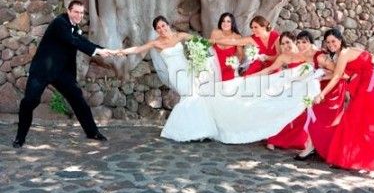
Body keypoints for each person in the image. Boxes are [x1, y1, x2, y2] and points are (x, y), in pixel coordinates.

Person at [122, 16, 321, 143]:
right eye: (159, 27)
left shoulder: (278, 38)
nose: (162, 28)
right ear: (157, 30)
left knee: (203, 95)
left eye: (256, 27)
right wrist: (118, 52)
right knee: (194, 95)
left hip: (265, 70)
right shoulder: (157, 42)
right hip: (178, 71)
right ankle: (191, 128)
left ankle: (194, 128)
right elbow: (231, 42)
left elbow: (275, 56)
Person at [13, 0, 112, 148]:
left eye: (81, 13)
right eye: (76, 12)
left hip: (61, 72)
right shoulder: (60, 23)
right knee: (30, 101)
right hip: (43, 70)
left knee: (78, 98)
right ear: (69, 11)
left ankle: (92, 132)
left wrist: (103, 50)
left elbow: (81, 41)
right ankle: (20, 138)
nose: (79, 15)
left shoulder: (75, 28)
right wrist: (97, 51)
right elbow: (72, 41)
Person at [315, 28, 374, 172]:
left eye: (333, 41)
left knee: (359, 121)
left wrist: (322, 94)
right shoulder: (342, 54)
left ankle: (358, 160)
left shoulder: (344, 53)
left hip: (370, 87)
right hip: (367, 85)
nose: (331, 44)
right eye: (328, 42)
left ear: (340, 40)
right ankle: (350, 159)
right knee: (356, 121)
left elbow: (337, 76)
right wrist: (320, 77)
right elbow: (341, 74)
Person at [293, 30, 346, 161]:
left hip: (331, 90)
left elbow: (341, 74)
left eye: (304, 42)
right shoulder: (305, 56)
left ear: (311, 43)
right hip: (318, 89)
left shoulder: (320, 57)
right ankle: (313, 146)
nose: (301, 45)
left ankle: (317, 147)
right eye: (298, 42)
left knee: (320, 119)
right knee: (313, 117)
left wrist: (320, 76)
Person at [254, 32, 308, 151]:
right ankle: (273, 140)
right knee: (282, 112)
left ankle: (296, 141)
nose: (285, 46)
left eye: (288, 42)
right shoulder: (283, 57)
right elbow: (270, 69)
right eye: (282, 44)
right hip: (289, 88)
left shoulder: (305, 54)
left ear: (295, 41)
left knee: (301, 116)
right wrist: (253, 76)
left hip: (304, 89)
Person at [213, 15, 280, 76]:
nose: (253, 30)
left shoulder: (275, 36)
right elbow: (233, 42)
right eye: (252, 27)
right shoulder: (252, 38)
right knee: (247, 78)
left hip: (274, 65)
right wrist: (215, 41)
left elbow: (279, 55)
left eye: (255, 27)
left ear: (264, 27)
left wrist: (266, 57)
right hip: (259, 65)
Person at [210, 13, 243, 81]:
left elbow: (240, 54)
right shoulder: (215, 32)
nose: (225, 23)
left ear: (232, 23)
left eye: (228, 21)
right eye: (223, 21)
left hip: (228, 67)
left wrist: (234, 64)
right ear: (220, 22)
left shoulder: (237, 37)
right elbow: (209, 49)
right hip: (214, 66)